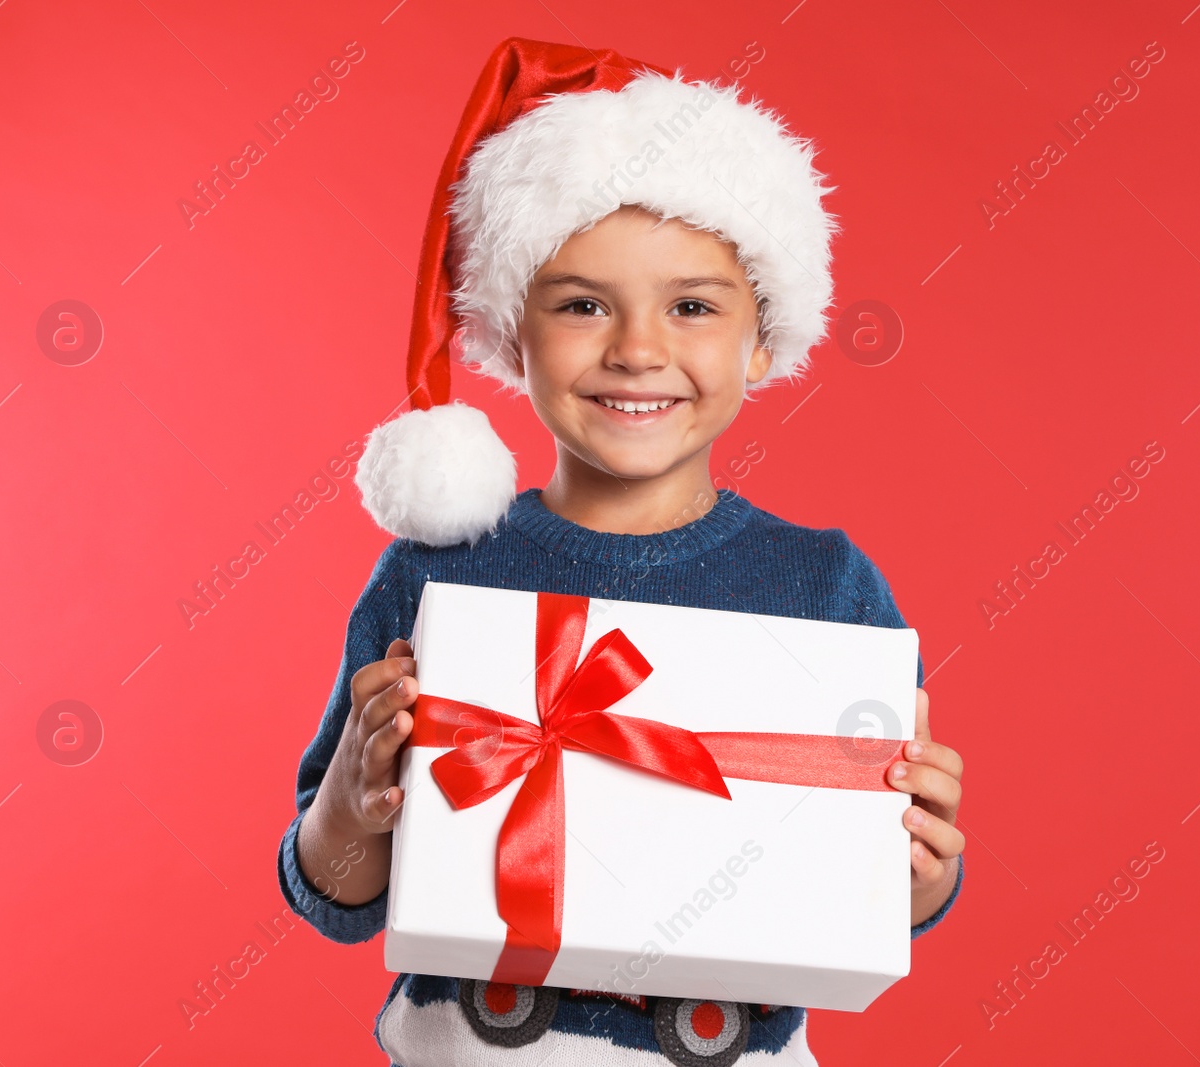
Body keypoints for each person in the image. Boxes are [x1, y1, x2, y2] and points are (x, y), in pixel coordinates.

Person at [278, 36, 966, 1065]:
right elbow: (335, 898)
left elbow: (871, 900)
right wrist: (350, 798)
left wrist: (920, 874)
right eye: (581, 304)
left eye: (691, 306)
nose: (636, 348)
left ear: (762, 337)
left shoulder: (826, 584)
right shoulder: (437, 571)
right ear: (512, 331)